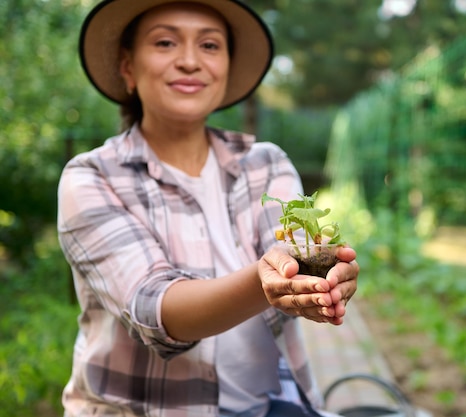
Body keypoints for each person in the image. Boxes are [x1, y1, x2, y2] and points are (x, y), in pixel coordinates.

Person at [57, 1, 359, 416]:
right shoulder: (92, 177)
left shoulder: (265, 163)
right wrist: (265, 280)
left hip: (271, 404)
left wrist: (320, 279)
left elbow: (295, 249)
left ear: (227, 67)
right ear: (128, 67)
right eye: (165, 42)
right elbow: (155, 306)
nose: (189, 61)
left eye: (210, 45)